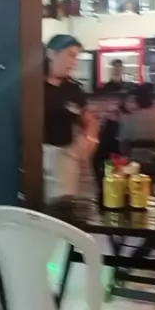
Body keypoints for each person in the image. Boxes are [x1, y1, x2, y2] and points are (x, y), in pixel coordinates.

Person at [44, 34, 99, 200]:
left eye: (76, 57)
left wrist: (90, 136)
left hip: (63, 157)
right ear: (51, 53)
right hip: (31, 156)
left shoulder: (73, 89)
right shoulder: (31, 85)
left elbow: (89, 118)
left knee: (61, 207)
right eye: (70, 55)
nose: (74, 63)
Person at [119, 83, 155, 154]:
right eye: (126, 101)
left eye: (130, 101)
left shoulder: (129, 121)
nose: (126, 104)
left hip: (136, 157)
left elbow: (123, 148)